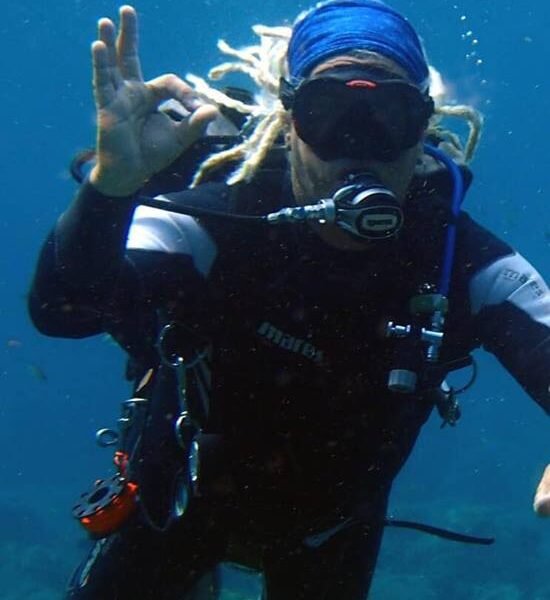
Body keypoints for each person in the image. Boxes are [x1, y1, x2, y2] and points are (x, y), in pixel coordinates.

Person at [29, 1, 550, 598]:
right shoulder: (215, 220)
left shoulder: (460, 259)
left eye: (390, 115)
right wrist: (111, 189)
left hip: (332, 534)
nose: (359, 146)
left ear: (424, 128)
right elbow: (61, 311)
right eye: (328, 113)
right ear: (289, 118)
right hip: (172, 502)